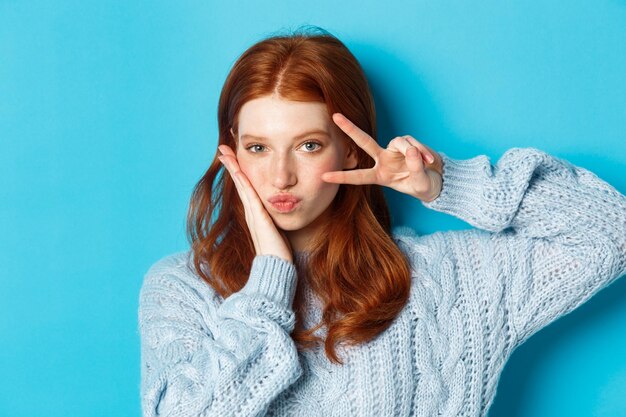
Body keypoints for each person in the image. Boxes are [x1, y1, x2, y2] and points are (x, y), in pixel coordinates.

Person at [138, 26, 626, 417]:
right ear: (233, 150)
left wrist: (447, 185)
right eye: (258, 147)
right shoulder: (183, 288)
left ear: (349, 148)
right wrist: (268, 283)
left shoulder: (447, 280)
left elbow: (610, 232)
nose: (281, 176)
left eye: (308, 145)